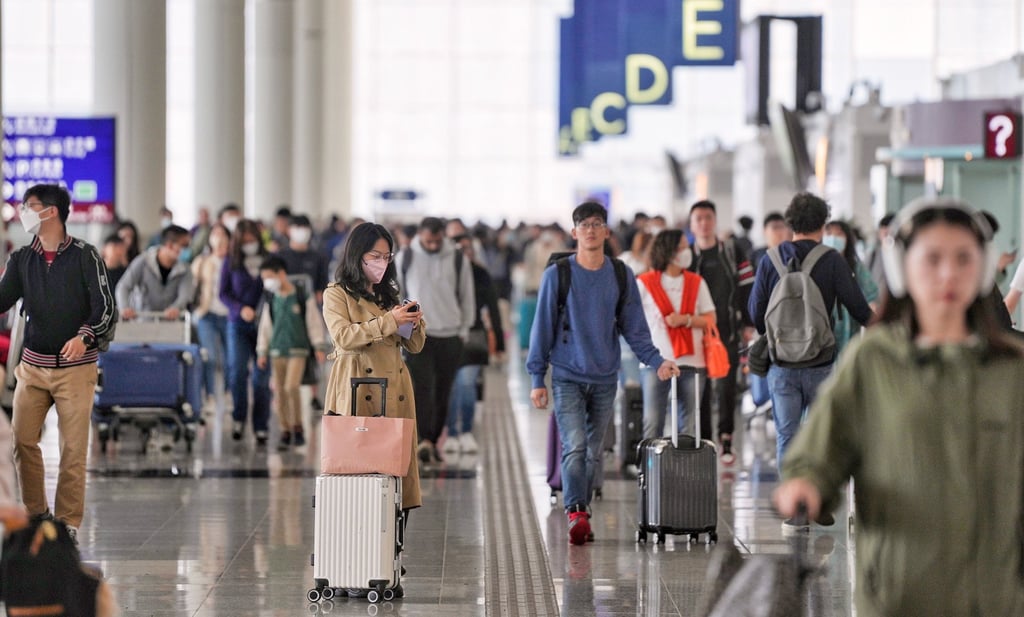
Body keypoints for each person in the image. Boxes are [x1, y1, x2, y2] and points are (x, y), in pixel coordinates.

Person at [774, 198, 1024, 616]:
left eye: (964, 259)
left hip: (995, 594)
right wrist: (807, 483)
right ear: (902, 268)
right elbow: (823, 446)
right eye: (933, 259)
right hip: (898, 592)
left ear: (983, 269)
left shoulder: (1011, 369)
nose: (949, 273)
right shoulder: (874, 360)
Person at [527, 201, 679, 546]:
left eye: (597, 224)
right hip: (567, 374)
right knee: (575, 445)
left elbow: (635, 328)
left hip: (605, 377)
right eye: (584, 225)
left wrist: (656, 361)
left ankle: (581, 506)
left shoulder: (621, 275)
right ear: (574, 232)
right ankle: (576, 511)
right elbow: (542, 328)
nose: (591, 230)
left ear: (607, 231)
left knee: (593, 453)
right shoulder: (558, 275)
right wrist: (537, 378)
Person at [0, 184, 117, 543]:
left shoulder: (85, 256)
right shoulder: (22, 259)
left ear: (50, 211)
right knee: (22, 441)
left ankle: (66, 523)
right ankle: (37, 516)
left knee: (72, 449)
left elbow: (106, 309)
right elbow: (3, 299)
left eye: (29, 206)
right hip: (32, 368)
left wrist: (85, 337)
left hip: (76, 370)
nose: (23, 211)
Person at [748, 193, 872, 492]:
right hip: (820, 361)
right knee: (820, 436)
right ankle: (817, 495)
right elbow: (858, 308)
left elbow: (755, 313)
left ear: (790, 223)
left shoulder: (770, 259)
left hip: (781, 363)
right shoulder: (832, 260)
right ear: (822, 224)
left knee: (787, 436)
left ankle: (794, 505)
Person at [322, 222, 424, 573]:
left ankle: (390, 554)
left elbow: (414, 346)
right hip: (357, 388)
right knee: (356, 470)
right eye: (374, 256)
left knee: (399, 474)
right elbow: (344, 337)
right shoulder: (336, 294)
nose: (381, 263)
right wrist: (389, 322)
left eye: (386, 256)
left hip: (394, 389)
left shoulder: (389, 295)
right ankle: (355, 555)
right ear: (357, 255)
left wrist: (413, 322)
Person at [396, 217, 475, 465]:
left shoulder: (458, 258)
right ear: (420, 235)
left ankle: (432, 439)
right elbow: (398, 296)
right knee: (421, 389)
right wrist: (400, 334)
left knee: (443, 391)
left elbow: (467, 295)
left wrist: (464, 329)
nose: (432, 245)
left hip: (450, 335)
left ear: (443, 236)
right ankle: (423, 440)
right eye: (428, 241)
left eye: (437, 241)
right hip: (417, 336)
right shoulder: (406, 257)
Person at [687, 200, 754, 461]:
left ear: (715, 221)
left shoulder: (732, 251)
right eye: (699, 218)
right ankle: (705, 440)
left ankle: (726, 437)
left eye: (708, 217)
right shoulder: (687, 256)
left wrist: (748, 323)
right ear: (692, 224)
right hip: (696, 331)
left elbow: (747, 287)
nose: (704, 223)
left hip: (727, 329)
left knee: (726, 386)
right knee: (700, 387)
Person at [635, 230, 717, 445]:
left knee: (688, 426)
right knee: (652, 422)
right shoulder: (644, 283)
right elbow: (631, 319)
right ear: (668, 250)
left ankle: (684, 466)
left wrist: (685, 320)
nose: (686, 251)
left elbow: (711, 319)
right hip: (655, 363)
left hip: (692, 363)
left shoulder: (696, 282)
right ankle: (651, 464)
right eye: (681, 247)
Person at [443, 224, 505, 455]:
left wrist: (499, 343)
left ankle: (466, 431)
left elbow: (493, 309)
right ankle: (452, 433)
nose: (464, 252)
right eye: (459, 248)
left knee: (467, 384)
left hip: (474, 336)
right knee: (451, 387)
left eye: (468, 248)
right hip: (448, 335)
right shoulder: (444, 274)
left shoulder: (480, 274)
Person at [256, 255, 327, 451]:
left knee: (291, 387)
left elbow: (313, 322)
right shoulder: (271, 299)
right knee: (279, 391)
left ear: (281, 274)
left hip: (298, 350)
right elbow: (265, 327)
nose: (267, 282)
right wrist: (262, 351)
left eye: (269, 277)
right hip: (276, 351)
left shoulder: (302, 296)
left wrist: (319, 346)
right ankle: (285, 430)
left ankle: (297, 426)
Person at [219, 219, 272, 445]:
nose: (249, 243)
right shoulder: (231, 261)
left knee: (261, 377)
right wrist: (240, 309)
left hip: (264, 327)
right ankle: (238, 417)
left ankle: (261, 426)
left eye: (252, 239)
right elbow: (223, 293)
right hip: (238, 325)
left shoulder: (268, 259)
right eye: (245, 240)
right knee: (237, 372)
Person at [115, 224, 195, 321]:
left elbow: (185, 295)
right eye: (184, 245)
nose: (188, 250)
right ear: (169, 245)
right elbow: (123, 286)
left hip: (170, 324)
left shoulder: (185, 269)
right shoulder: (143, 261)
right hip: (142, 321)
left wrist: (176, 307)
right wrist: (125, 307)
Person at [823, 219, 879, 356]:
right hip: (824, 328)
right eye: (829, 234)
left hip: (849, 327)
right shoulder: (819, 265)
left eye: (839, 234)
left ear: (847, 238)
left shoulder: (856, 267)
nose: (833, 238)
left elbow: (872, 295)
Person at [192, 223, 231, 410]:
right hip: (206, 313)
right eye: (215, 233)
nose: (218, 238)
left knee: (230, 358)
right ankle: (210, 396)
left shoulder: (233, 262)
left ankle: (229, 393)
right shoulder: (202, 261)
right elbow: (192, 286)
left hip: (229, 315)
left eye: (222, 234)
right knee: (209, 356)